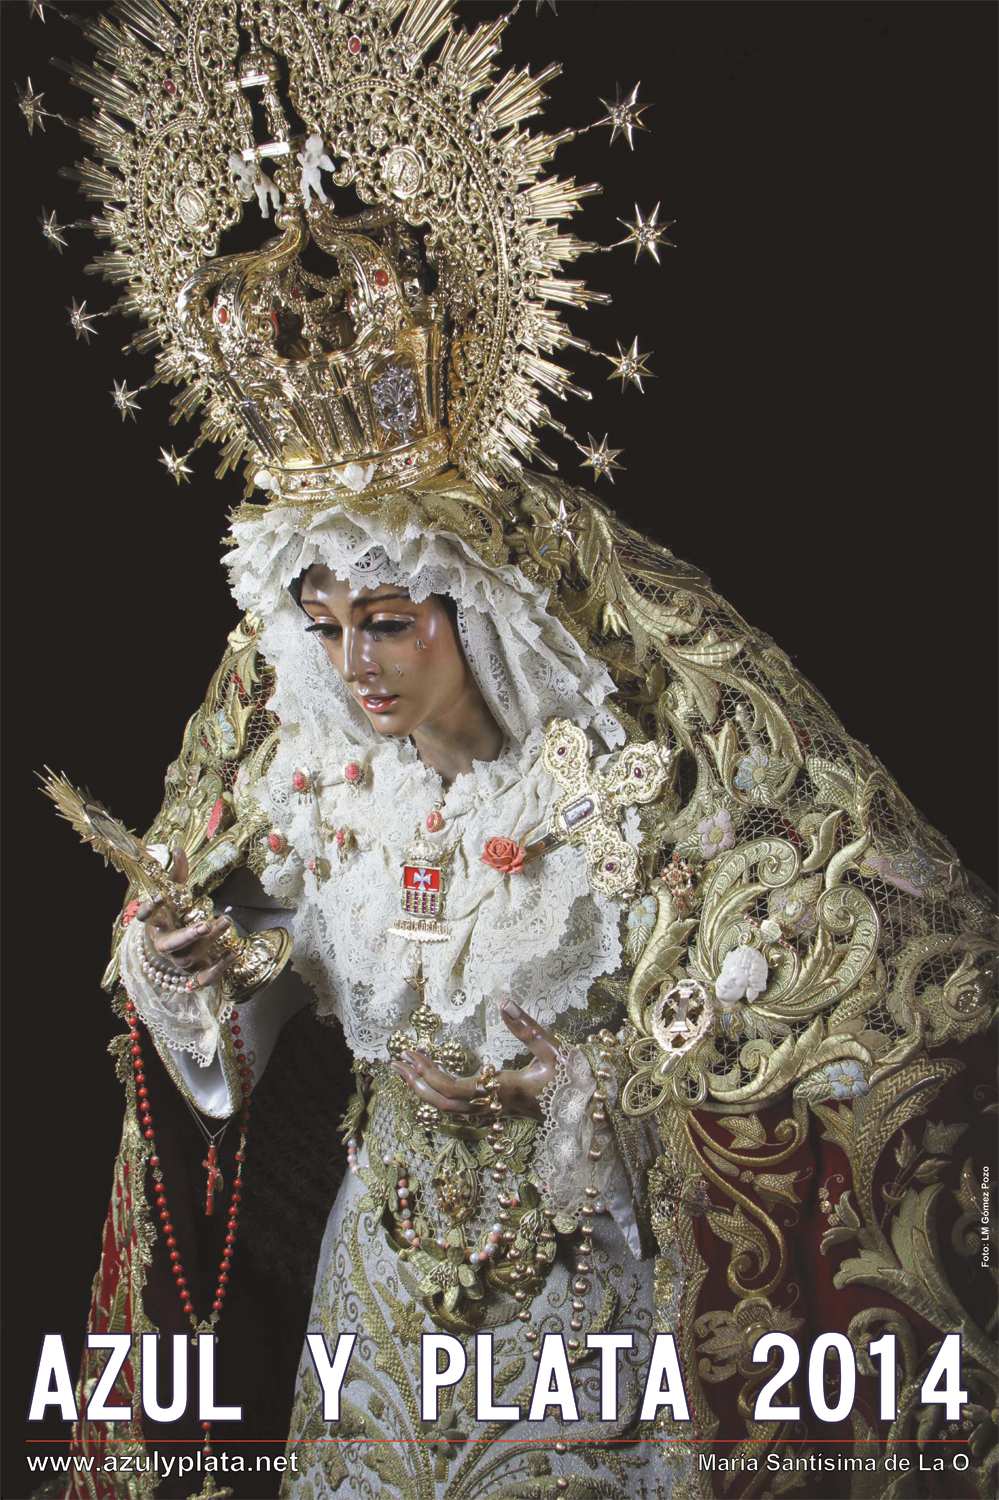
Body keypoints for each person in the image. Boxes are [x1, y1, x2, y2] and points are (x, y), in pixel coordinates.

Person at [32, 3, 994, 1498]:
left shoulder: (609, 781)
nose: (357, 665)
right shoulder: (313, 789)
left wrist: (583, 1095)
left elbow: (788, 1017)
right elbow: (233, 1047)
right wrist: (181, 968)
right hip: (380, 1286)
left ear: (470, 613)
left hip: (576, 1283)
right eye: (326, 627)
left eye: (389, 622)